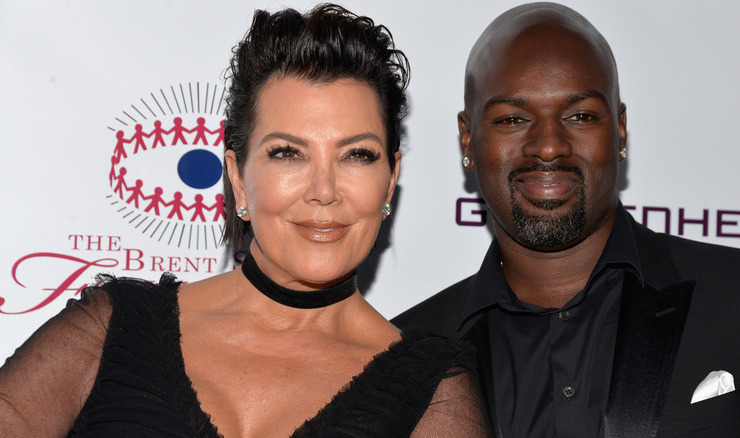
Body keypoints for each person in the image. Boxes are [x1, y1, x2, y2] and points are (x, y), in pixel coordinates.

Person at [0, 5, 489, 437]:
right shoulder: (111, 330)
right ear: (237, 176)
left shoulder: (431, 390)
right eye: (287, 153)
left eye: (357, 155)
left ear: (389, 179)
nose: (324, 190)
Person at [393, 3, 740, 437]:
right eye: (513, 119)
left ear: (619, 129)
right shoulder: (402, 360)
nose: (548, 146)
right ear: (468, 137)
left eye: (580, 116)